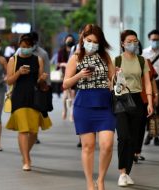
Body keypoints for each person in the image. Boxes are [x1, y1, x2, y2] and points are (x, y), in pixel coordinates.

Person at [63, 24, 115, 190]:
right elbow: (65, 84)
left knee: (107, 144)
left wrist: (116, 77)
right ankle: (89, 183)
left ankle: (100, 179)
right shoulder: (76, 58)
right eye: (89, 40)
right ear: (83, 40)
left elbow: (113, 79)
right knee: (88, 146)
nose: (92, 43)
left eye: (96, 41)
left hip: (105, 103)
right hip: (84, 104)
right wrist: (80, 75)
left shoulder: (105, 56)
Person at [5, 33, 51, 171]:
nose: (26, 49)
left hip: (34, 97)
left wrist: (42, 78)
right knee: (23, 130)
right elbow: (8, 81)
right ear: (19, 46)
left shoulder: (38, 59)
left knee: (34, 132)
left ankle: (26, 153)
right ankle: (26, 159)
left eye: (28, 46)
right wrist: (19, 72)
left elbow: (39, 81)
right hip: (19, 97)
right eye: (23, 46)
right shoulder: (13, 60)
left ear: (32, 47)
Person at [114, 30, 153, 186]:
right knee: (123, 136)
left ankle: (127, 172)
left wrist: (149, 102)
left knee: (134, 138)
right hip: (121, 99)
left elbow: (148, 82)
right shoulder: (116, 60)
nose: (132, 44)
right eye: (129, 41)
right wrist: (115, 76)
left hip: (137, 99)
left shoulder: (142, 61)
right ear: (123, 43)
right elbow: (109, 81)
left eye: (135, 41)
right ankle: (122, 172)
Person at [134, 42, 159, 163]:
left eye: (136, 44)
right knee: (129, 127)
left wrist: (156, 95)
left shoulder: (146, 62)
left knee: (140, 127)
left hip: (144, 99)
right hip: (127, 99)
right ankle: (130, 150)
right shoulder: (120, 62)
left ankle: (137, 152)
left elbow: (152, 79)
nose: (133, 46)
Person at [58, 34, 76, 121]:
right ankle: (64, 109)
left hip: (74, 75)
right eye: (68, 40)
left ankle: (72, 114)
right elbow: (58, 64)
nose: (69, 42)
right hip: (64, 75)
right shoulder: (61, 51)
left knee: (72, 94)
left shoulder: (75, 50)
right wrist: (64, 64)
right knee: (65, 96)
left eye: (71, 40)